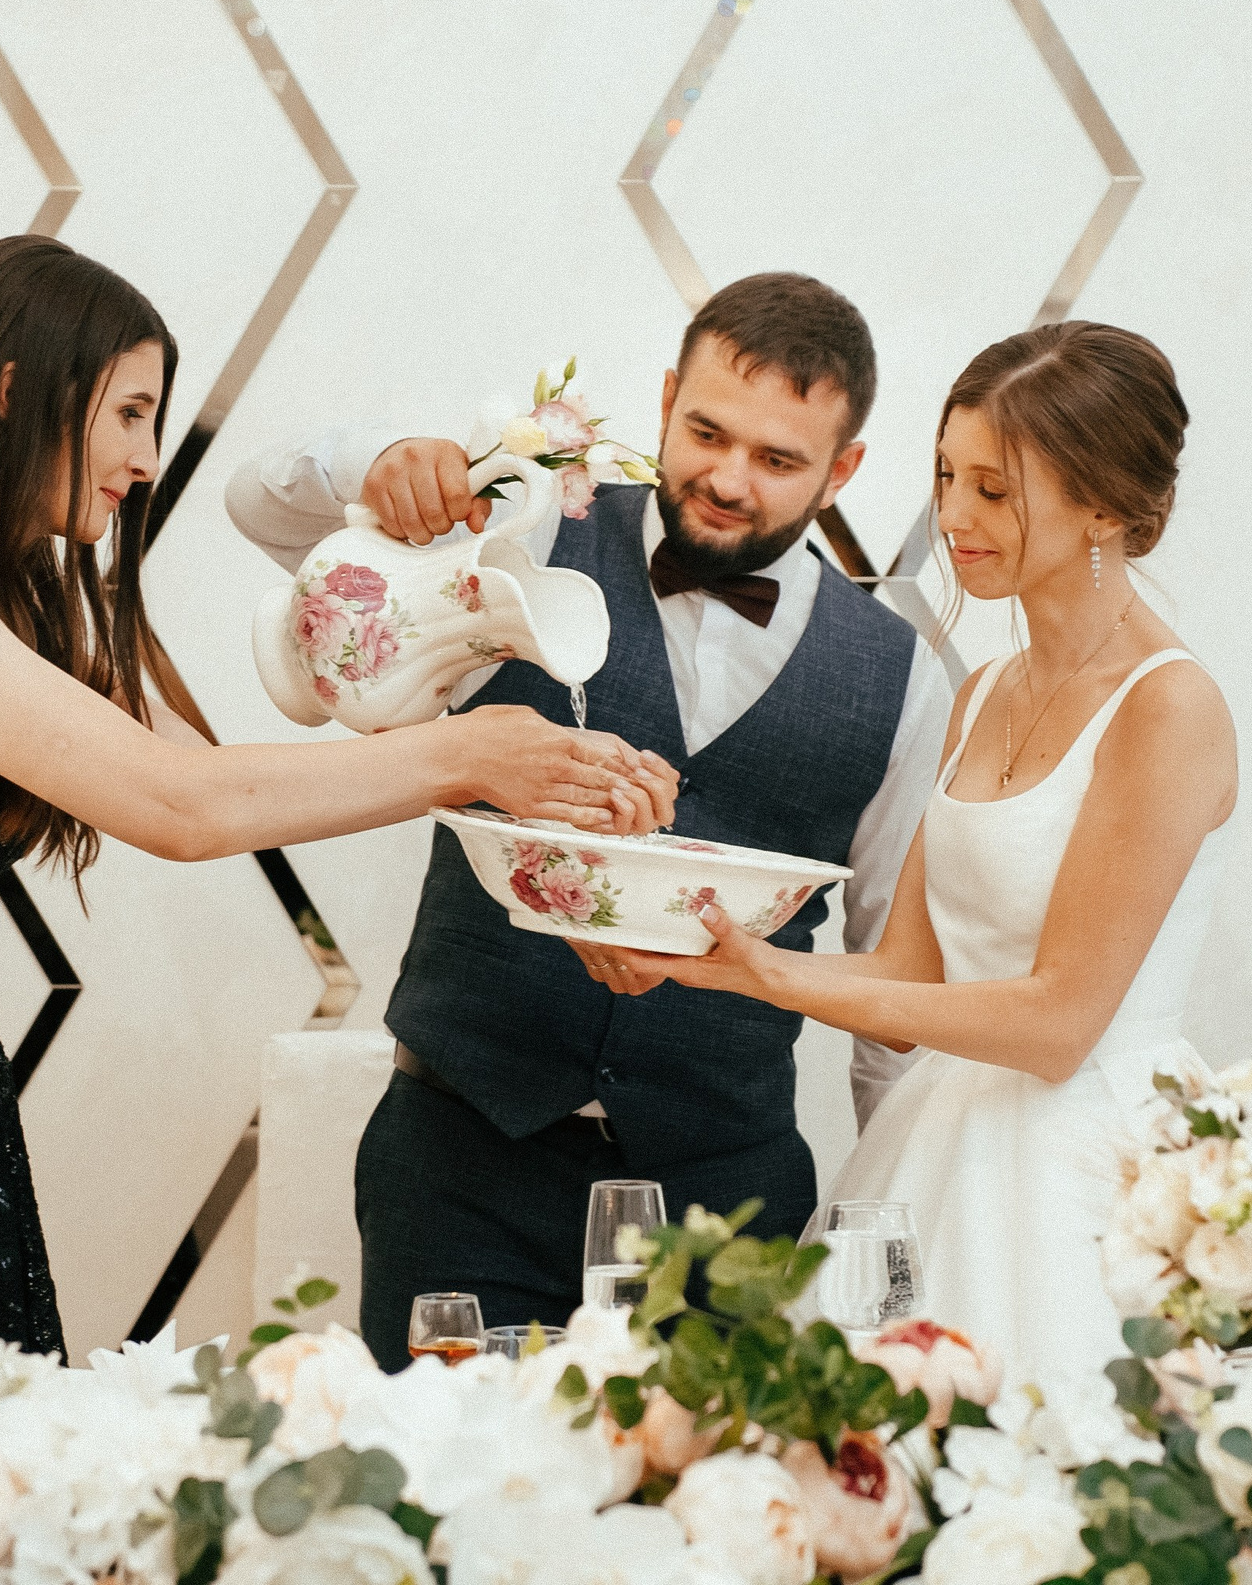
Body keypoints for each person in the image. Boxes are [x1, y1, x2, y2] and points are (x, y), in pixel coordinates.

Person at [0, 235, 673, 1380]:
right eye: (130, 413)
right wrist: (468, 757)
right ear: (11, 388)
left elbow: (220, 781)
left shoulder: (13, 594)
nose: (145, 460)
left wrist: (421, 617)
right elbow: (180, 808)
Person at [228, 273, 950, 1368]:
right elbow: (258, 507)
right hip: (460, 1169)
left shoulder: (901, 678)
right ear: (664, 398)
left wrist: (893, 1226)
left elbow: (893, 985)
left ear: (844, 469)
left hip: (729, 1214)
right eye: (706, 431)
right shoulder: (515, 537)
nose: (726, 478)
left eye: (778, 459)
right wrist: (373, 458)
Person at [585, 320, 1234, 1388]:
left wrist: (774, 974)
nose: (954, 517)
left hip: (1081, 1171)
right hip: (936, 1144)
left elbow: (1058, 1022)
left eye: (996, 489)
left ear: (1107, 507)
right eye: (946, 477)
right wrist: (704, 954)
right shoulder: (982, 692)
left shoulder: (1168, 709)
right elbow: (909, 972)